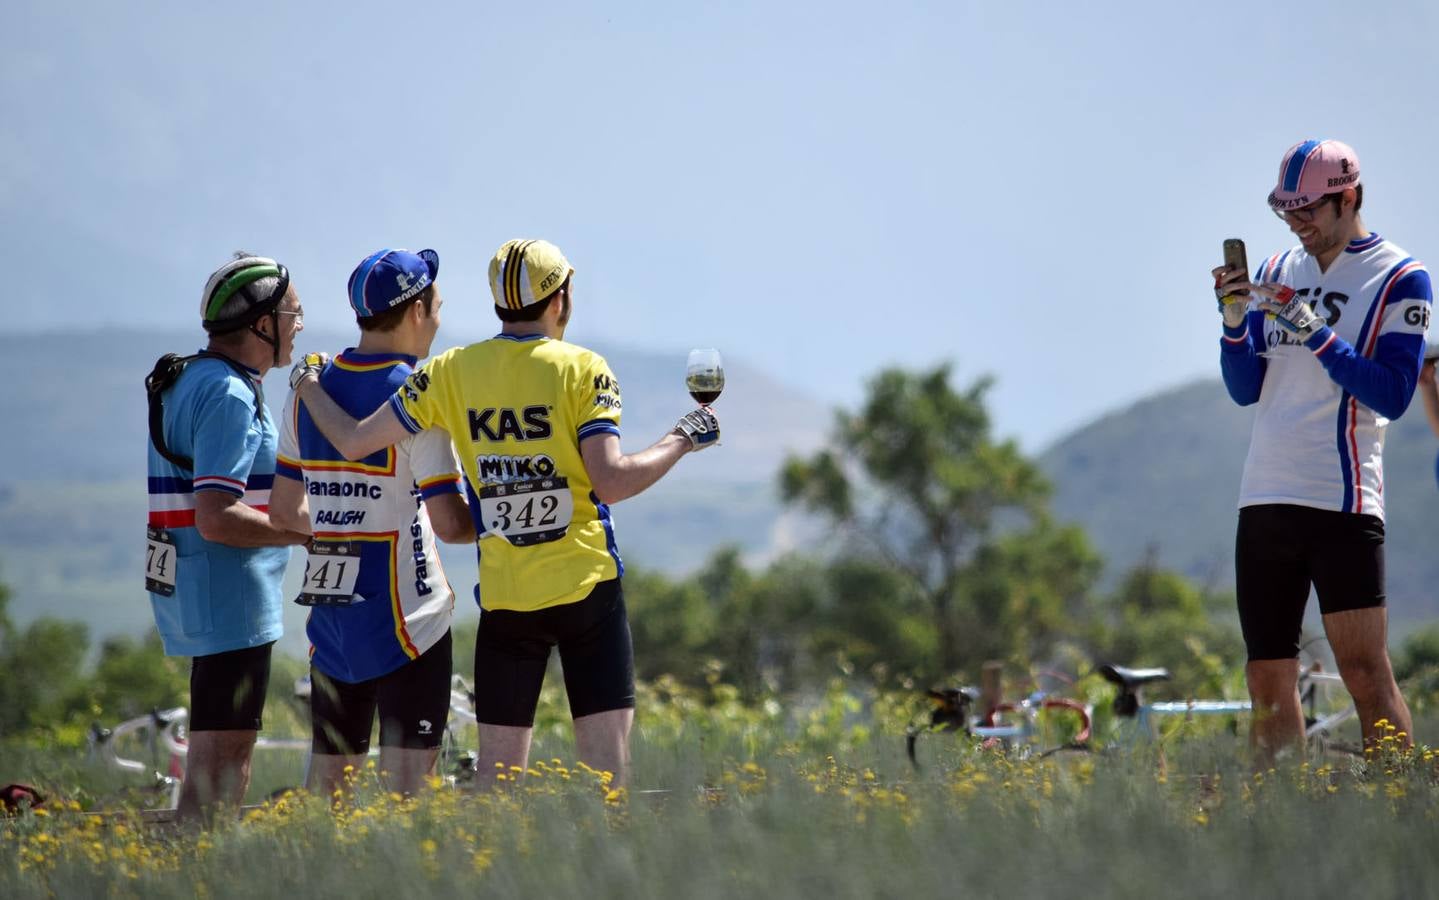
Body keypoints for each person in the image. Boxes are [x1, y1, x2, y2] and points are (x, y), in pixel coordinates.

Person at [287, 239, 720, 787]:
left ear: (497, 302)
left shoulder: (449, 371)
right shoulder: (584, 368)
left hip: (507, 598)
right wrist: (683, 437)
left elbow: (352, 441)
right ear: (560, 299)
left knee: (497, 787)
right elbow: (610, 482)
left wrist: (306, 384)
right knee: (608, 778)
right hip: (588, 588)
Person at [1212, 139, 1431, 761]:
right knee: (1267, 681)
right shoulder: (1280, 268)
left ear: (1349, 197)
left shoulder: (1400, 275)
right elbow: (1244, 388)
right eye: (1287, 212)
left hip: (1343, 499)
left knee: (1364, 673)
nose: (1297, 223)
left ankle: (1399, 807)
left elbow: (1391, 394)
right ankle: (1277, 832)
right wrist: (1233, 324)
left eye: (1308, 209)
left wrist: (1314, 332)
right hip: (1265, 495)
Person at [268, 248, 474, 798]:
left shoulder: (304, 394)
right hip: (413, 622)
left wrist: (343, 523)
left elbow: (284, 514)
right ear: (415, 312)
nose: (438, 317)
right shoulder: (417, 398)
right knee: (409, 801)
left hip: (332, 621)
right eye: (436, 306)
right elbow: (449, 523)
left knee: (327, 795)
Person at [144, 252, 310, 822]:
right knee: (225, 761)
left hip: (198, 585)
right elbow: (216, 515)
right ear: (261, 322)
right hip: (231, 592)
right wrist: (300, 535)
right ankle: (202, 867)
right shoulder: (231, 395)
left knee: (213, 748)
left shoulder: (192, 376)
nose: (299, 323)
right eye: (293, 311)